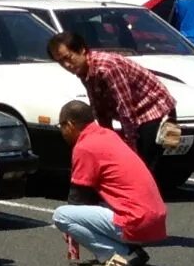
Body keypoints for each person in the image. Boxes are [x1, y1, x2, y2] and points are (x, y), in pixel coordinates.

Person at [52, 100, 168, 266]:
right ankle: (130, 250)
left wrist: (71, 236)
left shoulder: (85, 147)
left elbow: (78, 197)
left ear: (69, 124)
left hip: (137, 221)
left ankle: (119, 255)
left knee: (62, 216)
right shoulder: (107, 135)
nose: (62, 132)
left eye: (61, 126)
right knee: (91, 209)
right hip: (155, 218)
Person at [46, 29, 178, 168]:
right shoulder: (84, 70)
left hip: (154, 110)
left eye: (68, 58)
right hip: (135, 115)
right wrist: (107, 141)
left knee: (142, 165)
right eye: (60, 62)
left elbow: (125, 108)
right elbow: (98, 107)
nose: (66, 65)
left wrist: (131, 147)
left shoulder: (107, 67)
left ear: (81, 50)